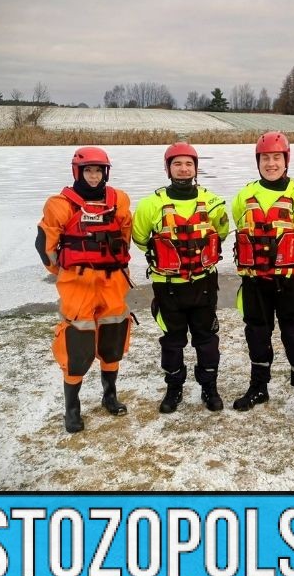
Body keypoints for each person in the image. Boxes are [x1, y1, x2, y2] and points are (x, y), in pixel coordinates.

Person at [230, 131, 294, 425]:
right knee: (257, 336)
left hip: (293, 282)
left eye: (276, 158)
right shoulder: (243, 196)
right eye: (265, 158)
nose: (271, 163)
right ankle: (259, 388)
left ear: (286, 160)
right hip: (255, 282)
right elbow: (241, 227)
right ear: (258, 161)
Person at [35, 146, 135, 433]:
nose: (93, 176)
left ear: (105, 172)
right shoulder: (59, 205)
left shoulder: (120, 201)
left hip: (112, 281)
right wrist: (68, 272)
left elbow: (125, 237)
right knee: (76, 345)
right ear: (77, 172)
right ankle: (72, 408)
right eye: (88, 170)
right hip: (77, 283)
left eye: (98, 171)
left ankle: (110, 396)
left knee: (113, 339)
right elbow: (46, 248)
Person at [130, 141, 229, 415]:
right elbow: (140, 239)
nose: (183, 169)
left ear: (196, 168)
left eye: (189, 164)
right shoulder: (151, 205)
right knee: (172, 341)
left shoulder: (213, 202)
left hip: (204, 284)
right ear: (167, 168)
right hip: (168, 286)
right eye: (177, 164)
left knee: (206, 340)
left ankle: (209, 386)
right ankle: (174, 387)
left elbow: (221, 233)